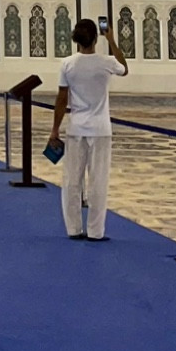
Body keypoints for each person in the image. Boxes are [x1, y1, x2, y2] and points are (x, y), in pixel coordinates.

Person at [48, 18, 128, 242]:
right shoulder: (106, 62)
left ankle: (73, 228)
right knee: (98, 181)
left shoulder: (68, 64)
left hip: (76, 128)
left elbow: (62, 99)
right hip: (101, 129)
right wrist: (111, 39)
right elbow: (124, 68)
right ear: (95, 38)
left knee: (72, 180)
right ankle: (95, 231)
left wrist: (55, 129)